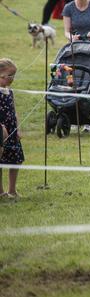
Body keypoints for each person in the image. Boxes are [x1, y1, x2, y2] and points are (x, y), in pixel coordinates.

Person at [0, 58, 23, 201]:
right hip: (1, 131)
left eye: (14, 75)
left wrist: (18, 129)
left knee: (15, 160)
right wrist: (1, 128)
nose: (12, 79)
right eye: (10, 75)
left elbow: (14, 112)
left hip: (12, 130)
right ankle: (1, 191)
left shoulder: (10, 92)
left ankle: (12, 190)